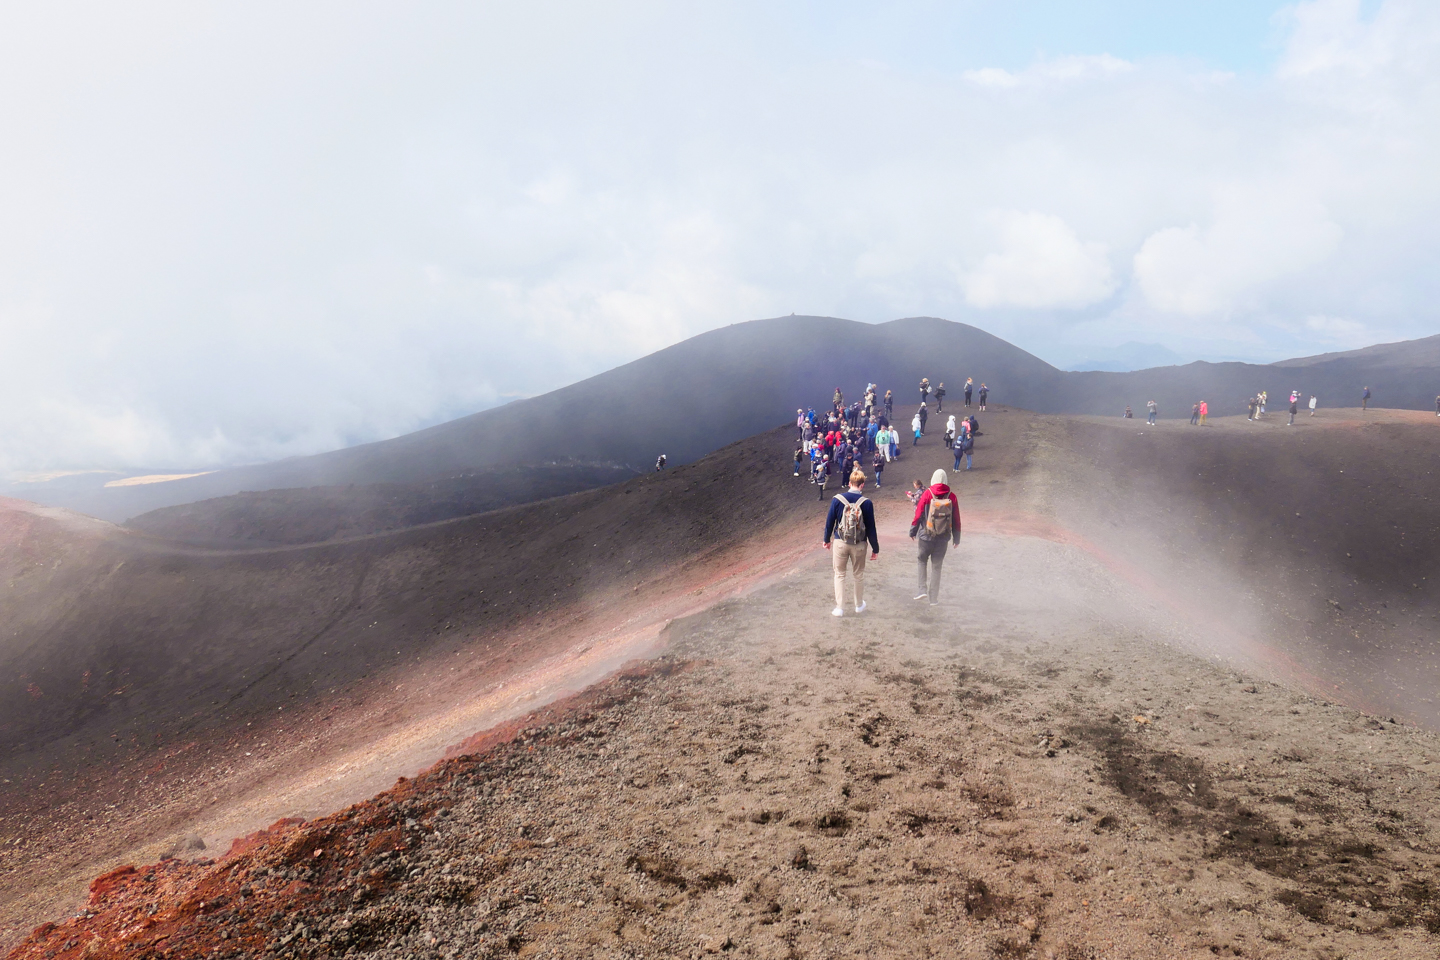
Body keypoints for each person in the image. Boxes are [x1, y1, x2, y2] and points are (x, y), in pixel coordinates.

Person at [824, 469, 880, 617]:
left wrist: (826, 540)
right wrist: (875, 548)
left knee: (840, 575)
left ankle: (839, 608)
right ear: (862, 485)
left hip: (840, 542)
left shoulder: (837, 499)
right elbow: (871, 528)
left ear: (849, 483)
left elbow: (830, 522)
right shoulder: (867, 503)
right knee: (858, 575)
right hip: (859, 544)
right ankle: (858, 605)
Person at [910, 468, 962, 605]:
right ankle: (933, 598)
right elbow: (956, 519)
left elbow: (918, 513)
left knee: (922, 560)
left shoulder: (927, 494)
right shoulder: (952, 496)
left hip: (926, 536)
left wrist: (913, 531)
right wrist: (957, 538)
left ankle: (922, 590)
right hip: (943, 538)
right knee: (937, 567)